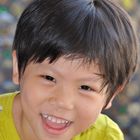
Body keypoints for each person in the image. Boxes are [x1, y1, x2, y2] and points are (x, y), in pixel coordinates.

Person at [0, 0, 138, 140]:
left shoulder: (105, 136)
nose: (63, 102)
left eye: (85, 87)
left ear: (112, 94)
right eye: (49, 78)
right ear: (17, 67)